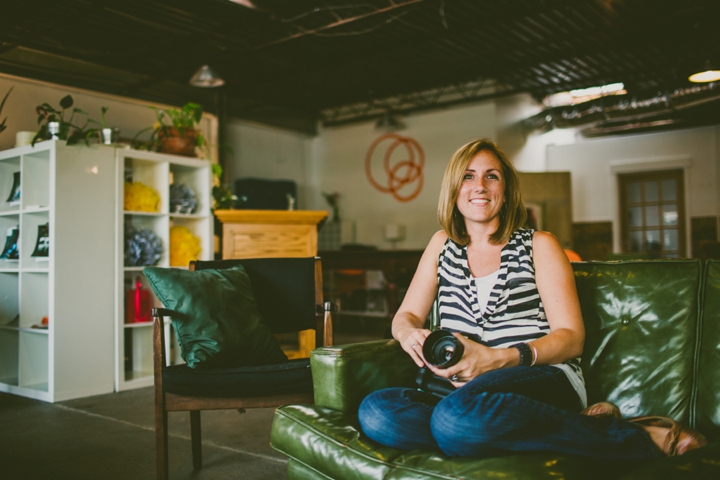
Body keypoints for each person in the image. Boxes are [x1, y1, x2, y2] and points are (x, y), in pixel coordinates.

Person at [358, 138, 706, 460]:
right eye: (468, 176)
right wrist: (409, 335)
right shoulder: (440, 246)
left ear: (506, 191)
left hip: (537, 375)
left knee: (455, 419)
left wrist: (497, 358)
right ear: (453, 190)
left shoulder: (541, 244)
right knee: (377, 411)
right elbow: (405, 317)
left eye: (491, 176)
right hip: (455, 391)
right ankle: (518, 428)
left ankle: (629, 439)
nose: (479, 186)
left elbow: (571, 339)